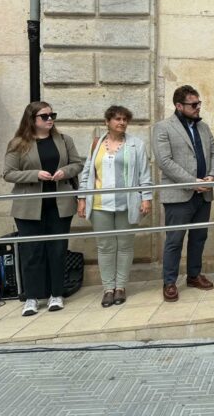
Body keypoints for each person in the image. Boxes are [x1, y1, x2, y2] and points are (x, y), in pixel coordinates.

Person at [2, 101, 83, 316]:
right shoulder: (18, 143)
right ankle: (32, 297)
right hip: (29, 206)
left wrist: (65, 171)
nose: (50, 119)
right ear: (32, 120)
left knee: (57, 249)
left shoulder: (64, 140)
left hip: (59, 204)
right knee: (32, 252)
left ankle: (56, 294)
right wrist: (34, 174)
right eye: (44, 116)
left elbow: (78, 164)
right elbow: (8, 173)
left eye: (52, 115)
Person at [77, 105, 153, 307]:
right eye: (117, 119)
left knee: (125, 246)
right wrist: (82, 198)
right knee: (105, 246)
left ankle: (121, 286)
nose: (121, 123)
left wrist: (146, 198)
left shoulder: (136, 144)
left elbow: (144, 174)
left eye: (125, 119)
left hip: (127, 203)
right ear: (107, 122)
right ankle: (108, 288)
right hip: (100, 204)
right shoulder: (96, 144)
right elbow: (87, 173)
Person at [152, 85, 214, 302]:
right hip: (179, 195)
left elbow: (213, 153)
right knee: (174, 240)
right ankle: (169, 282)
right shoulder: (163, 127)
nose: (198, 107)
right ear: (179, 106)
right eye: (193, 104)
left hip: (204, 194)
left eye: (199, 103)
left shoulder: (204, 127)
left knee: (199, 237)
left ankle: (193, 275)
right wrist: (192, 182)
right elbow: (164, 161)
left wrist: (211, 176)